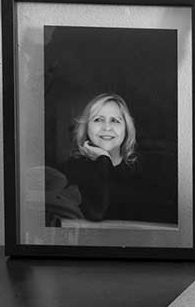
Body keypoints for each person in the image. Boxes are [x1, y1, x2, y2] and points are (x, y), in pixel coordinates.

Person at [58, 92, 175, 225]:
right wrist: (103, 159)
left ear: (126, 128)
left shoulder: (147, 170)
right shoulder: (69, 171)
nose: (107, 127)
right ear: (86, 127)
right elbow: (96, 213)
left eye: (115, 120)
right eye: (98, 120)